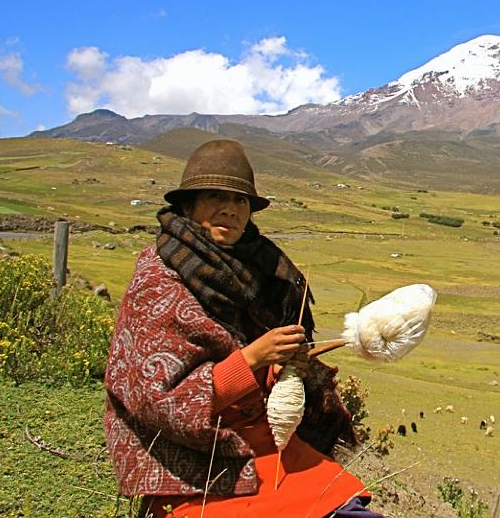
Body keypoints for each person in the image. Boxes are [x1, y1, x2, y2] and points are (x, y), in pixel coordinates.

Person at [104, 139, 384, 518]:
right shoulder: (158, 280)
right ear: (188, 205)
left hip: (267, 442)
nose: (230, 210)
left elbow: (263, 374)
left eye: (240, 201)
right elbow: (155, 399)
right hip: (197, 457)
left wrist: (284, 367)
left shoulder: (262, 270)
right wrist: (253, 357)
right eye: (215, 196)